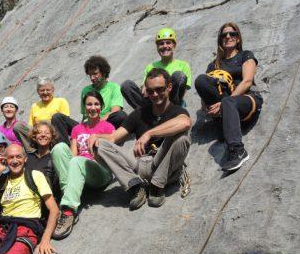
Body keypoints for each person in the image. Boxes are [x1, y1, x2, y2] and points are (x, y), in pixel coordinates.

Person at [90, 68, 191, 209]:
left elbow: (185, 122)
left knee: (182, 138)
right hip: (139, 164)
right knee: (100, 145)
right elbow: (113, 138)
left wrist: (149, 134)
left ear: (169, 87)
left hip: (163, 165)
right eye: (150, 91)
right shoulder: (139, 113)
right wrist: (96, 136)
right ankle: (135, 186)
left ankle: (157, 186)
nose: (155, 94)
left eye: (160, 89)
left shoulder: (178, 111)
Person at [194, 22, 263, 172]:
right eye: (224, 35)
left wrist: (226, 101)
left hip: (247, 99)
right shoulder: (214, 65)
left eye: (233, 34)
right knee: (200, 80)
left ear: (238, 38)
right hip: (225, 102)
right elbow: (206, 89)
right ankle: (221, 120)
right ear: (220, 40)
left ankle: (238, 150)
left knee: (228, 101)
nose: (228, 37)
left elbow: (247, 81)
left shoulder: (245, 55)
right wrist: (207, 108)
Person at [51, 91, 114, 239]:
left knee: (77, 161)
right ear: (84, 107)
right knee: (59, 148)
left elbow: (113, 141)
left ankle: (67, 210)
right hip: (80, 169)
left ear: (102, 106)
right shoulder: (77, 129)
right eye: (89, 104)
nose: (93, 107)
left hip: (100, 170)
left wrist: (97, 136)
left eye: (96, 104)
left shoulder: (107, 126)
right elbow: (73, 154)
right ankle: (70, 196)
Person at [51, 55, 127, 144]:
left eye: (95, 74)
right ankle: (65, 148)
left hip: (105, 123)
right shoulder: (86, 90)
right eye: (90, 75)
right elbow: (85, 115)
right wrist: (82, 129)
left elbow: (115, 110)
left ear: (104, 72)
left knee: (121, 115)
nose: (92, 78)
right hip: (86, 127)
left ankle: (106, 137)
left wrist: (98, 122)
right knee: (57, 117)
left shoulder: (114, 87)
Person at [121, 27, 192, 109]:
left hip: (172, 103)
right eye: (161, 43)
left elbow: (182, 91)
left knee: (179, 75)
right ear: (157, 47)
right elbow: (145, 89)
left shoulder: (183, 65)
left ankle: (170, 111)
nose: (165, 46)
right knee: (126, 85)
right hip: (153, 102)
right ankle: (146, 114)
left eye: (168, 43)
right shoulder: (151, 67)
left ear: (174, 45)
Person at [14, 77, 70, 152]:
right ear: (38, 92)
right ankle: (32, 151)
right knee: (18, 126)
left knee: (50, 120)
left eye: (48, 90)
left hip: (54, 135)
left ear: (53, 90)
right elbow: (31, 127)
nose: (45, 92)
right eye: (42, 90)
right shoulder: (34, 106)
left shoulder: (61, 101)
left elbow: (63, 123)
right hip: (38, 135)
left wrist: (45, 125)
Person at [26, 121, 58, 192]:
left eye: (47, 133)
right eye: (39, 133)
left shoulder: (55, 157)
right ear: (34, 137)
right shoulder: (28, 157)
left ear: (52, 137)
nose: (43, 135)